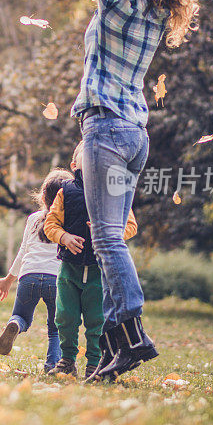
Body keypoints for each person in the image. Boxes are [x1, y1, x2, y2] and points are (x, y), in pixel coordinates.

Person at [73, 0, 213, 380]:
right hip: (134, 138)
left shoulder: (114, 2)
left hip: (105, 132)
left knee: (105, 239)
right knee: (110, 241)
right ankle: (113, 348)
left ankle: (134, 333)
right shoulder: (155, 9)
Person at [43, 142, 137, 379]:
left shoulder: (115, 191)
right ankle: (66, 360)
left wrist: (107, 232)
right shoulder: (66, 192)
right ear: (75, 165)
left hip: (99, 270)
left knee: (97, 319)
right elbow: (50, 224)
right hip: (69, 269)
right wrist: (63, 237)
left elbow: (131, 226)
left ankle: (95, 363)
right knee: (65, 316)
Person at [0, 169, 73, 373]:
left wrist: (9, 279)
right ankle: (52, 365)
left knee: (21, 316)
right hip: (56, 279)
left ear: (43, 196)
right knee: (56, 328)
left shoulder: (34, 219)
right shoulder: (71, 221)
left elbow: (23, 251)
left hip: (29, 275)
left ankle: (15, 325)